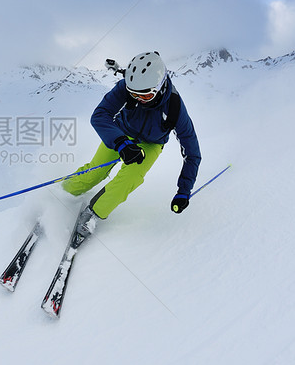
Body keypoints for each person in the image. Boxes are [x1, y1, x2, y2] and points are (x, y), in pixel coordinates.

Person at [62, 51, 201, 236]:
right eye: (133, 94)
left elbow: (192, 153)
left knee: (128, 180)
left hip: (151, 144)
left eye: (144, 96)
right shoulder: (126, 87)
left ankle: (93, 215)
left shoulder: (175, 108)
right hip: (121, 133)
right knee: (95, 171)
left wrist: (184, 190)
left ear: (159, 88)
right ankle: (62, 193)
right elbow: (100, 115)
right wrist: (120, 143)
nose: (137, 99)